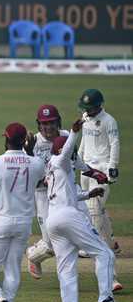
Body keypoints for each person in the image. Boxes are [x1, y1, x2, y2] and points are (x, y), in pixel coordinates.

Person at [45, 119, 128, 302]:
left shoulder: (56, 169)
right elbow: (66, 154)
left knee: (66, 269)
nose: (74, 157)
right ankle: (106, 298)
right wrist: (74, 133)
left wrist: (90, 193)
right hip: (68, 216)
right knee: (105, 253)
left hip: (53, 221)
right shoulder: (60, 161)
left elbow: (71, 193)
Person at [25, 105, 110, 281]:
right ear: (39, 125)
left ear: (58, 122)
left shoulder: (65, 137)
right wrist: (27, 152)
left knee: (85, 228)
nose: (48, 128)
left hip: (67, 190)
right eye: (44, 124)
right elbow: (26, 172)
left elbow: (75, 161)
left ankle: (109, 274)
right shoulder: (33, 142)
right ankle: (33, 256)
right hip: (43, 195)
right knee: (50, 243)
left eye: (51, 123)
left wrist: (94, 172)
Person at [0, 122, 46, 302]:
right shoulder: (36, 164)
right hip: (23, 222)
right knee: (12, 269)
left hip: (0, 219)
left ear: (6, 138)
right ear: (25, 140)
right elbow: (39, 183)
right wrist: (29, 152)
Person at [77, 88, 123, 291]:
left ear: (99, 105)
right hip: (86, 168)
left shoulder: (109, 121)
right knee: (91, 211)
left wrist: (112, 166)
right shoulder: (85, 117)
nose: (87, 111)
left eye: (90, 108)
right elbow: (84, 143)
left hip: (102, 170)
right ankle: (111, 240)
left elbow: (115, 143)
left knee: (95, 213)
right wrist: (75, 160)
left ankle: (111, 277)